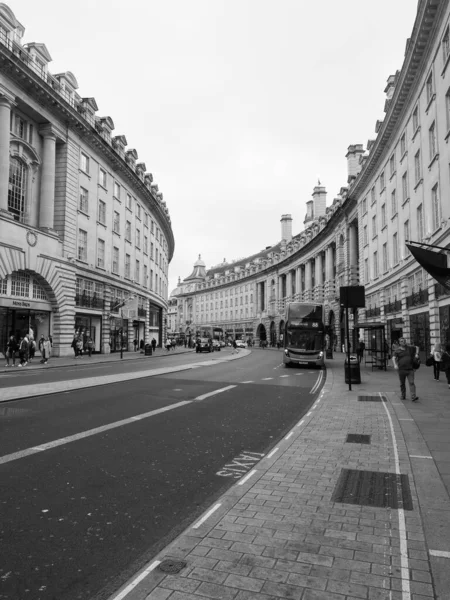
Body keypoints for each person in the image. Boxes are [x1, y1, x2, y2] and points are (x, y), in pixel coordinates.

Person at [392, 337, 419, 402]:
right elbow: (393, 358)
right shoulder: (397, 350)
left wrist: (416, 354)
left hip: (410, 369)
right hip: (401, 369)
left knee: (411, 382)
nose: (403, 342)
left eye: (404, 341)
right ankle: (403, 395)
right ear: (399, 343)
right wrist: (395, 365)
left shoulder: (409, 348)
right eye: (401, 341)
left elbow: (417, 347)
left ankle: (413, 396)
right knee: (402, 383)